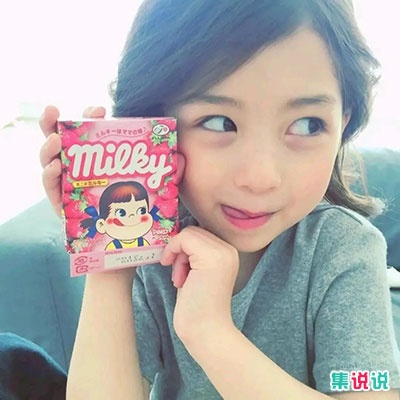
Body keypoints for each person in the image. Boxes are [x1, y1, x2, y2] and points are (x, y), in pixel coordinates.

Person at [37, 0, 400, 399]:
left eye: (307, 125)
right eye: (218, 122)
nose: (261, 178)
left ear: (342, 123)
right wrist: (107, 257)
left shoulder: (345, 250)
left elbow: (371, 390)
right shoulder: (148, 242)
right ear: (153, 122)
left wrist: (210, 333)